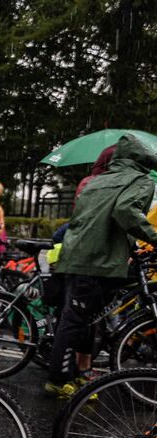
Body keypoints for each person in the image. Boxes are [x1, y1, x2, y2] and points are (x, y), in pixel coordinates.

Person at [44, 134, 157, 399]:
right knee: (75, 321)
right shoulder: (140, 180)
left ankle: (77, 373)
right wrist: (152, 237)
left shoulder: (97, 182)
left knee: (81, 319)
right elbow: (125, 212)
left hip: (76, 257)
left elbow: (95, 220)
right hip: (100, 261)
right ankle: (58, 380)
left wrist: (130, 246)